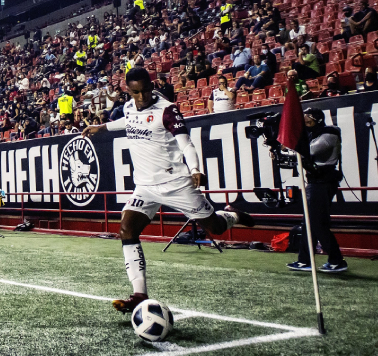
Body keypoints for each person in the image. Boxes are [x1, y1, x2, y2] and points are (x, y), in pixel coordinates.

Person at [82, 67, 254, 313]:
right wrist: (102, 127)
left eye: (145, 91)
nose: (141, 97)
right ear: (128, 91)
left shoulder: (167, 110)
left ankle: (232, 215)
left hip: (176, 183)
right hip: (145, 186)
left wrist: (195, 169)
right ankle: (139, 294)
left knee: (215, 227)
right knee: (126, 229)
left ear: (152, 87)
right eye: (135, 92)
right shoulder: (129, 107)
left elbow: (186, 143)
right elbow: (128, 121)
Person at [287, 108, 347, 273]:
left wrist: (290, 149)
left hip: (323, 182)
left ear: (318, 119)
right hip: (314, 182)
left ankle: (336, 260)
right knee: (309, 223)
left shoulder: (329, 133)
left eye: (309, 118)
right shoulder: (311, 135)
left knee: (317, 223)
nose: (305, 121)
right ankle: (305, 260)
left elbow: (310, 151)